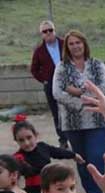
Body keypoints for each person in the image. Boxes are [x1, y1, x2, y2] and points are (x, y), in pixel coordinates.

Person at [51, 29, 105, 193]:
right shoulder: (62, 67)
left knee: (96, 159)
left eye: (79, 43)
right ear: (67, 47)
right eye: (72, 44)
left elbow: (104, 88)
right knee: (82, 161)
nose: (76, 47)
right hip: (73, 123)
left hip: (97, 121)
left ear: (85, 45)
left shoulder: (96, 64)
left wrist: (75, 91)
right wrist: (83, 99)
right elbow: (58, 92)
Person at [13, 116, 84, 193]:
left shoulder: (43, 147)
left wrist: (73, 155)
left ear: (36, 135)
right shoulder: (18, 157)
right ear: (16, 141)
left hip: (51, 188)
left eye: (29, 137)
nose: (27, 143)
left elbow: (57, 152)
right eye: (21, 140)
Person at [30, 20, 67, 148]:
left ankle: (75, 136)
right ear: (41, 34)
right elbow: (34, 69)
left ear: (54, 30)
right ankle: (63, 139)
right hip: (50, 84)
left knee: (72, 109)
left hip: (68, 81)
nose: (48, 33)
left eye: (50, 30)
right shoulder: (39, 51)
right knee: (56, 113)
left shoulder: (65, 44)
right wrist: (44, 79)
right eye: (45, 31)